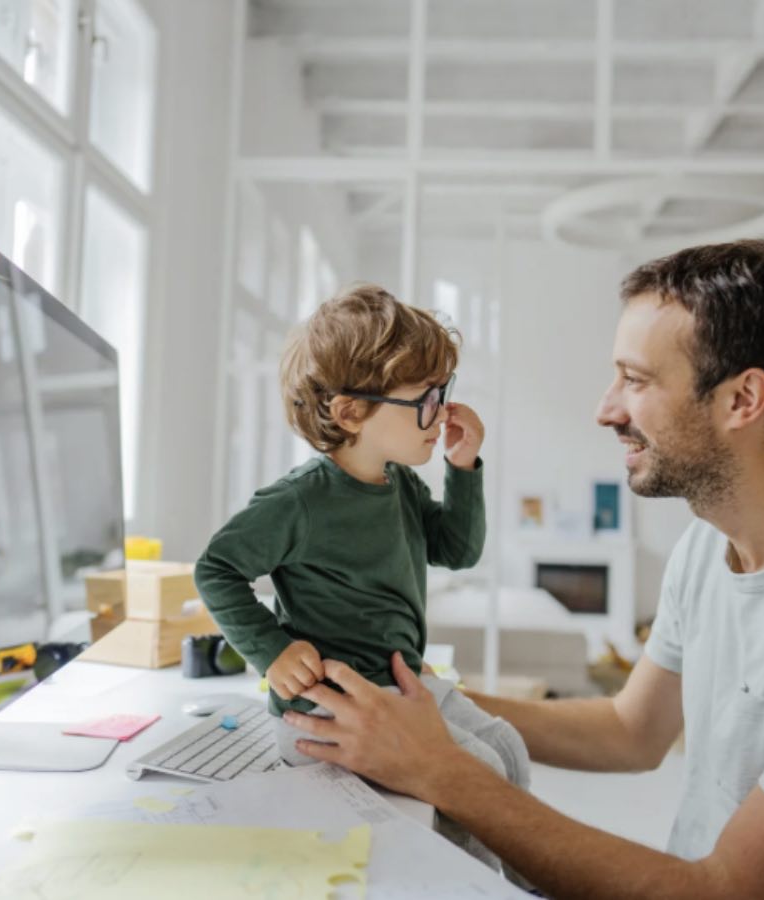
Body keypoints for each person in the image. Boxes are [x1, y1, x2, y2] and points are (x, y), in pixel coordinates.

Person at [283, 241, 764, 900]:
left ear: (742, 400)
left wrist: (441, 769)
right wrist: (423, 705)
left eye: (634, 379)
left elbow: (727, 894)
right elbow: (632, 731)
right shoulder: (710, 545)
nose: (605, 409)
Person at [193, 284, 530, 873]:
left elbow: (456, 550)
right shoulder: (299, 502)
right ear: (352, 412)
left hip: (396, 688)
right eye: (424, 399)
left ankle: (525, 882)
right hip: (332, 710)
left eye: (441, 394)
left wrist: (463, 468)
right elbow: (216, 568)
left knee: (507, 748)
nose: (442, 412)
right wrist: (271, 648)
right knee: (480, 774)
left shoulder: (399, 482)